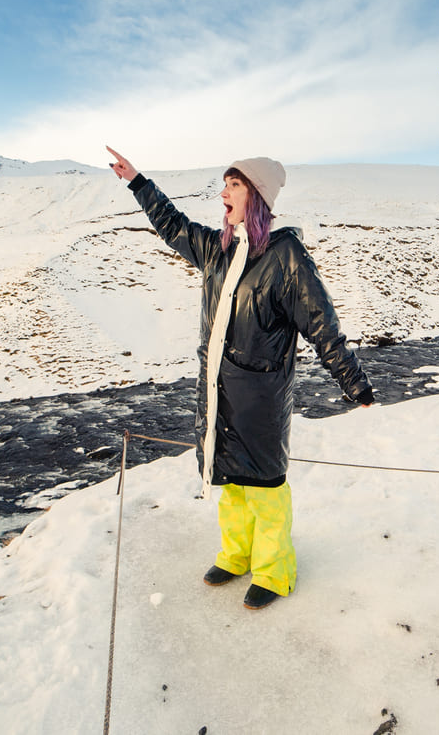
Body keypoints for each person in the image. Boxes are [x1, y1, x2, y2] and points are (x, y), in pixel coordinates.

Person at [107, 146, 374, 610]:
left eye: (233, 185)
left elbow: (321, 324)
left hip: (261, 397)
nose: (223, 193)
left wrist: (355, 384)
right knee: (230, 483)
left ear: (256, 196)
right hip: (217, 392)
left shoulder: (286, 256)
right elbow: (173, 225)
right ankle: (237, 555)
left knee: (266, 489)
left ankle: (275, 571)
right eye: (225, 184)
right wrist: (138, 182)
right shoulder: (218, 248)